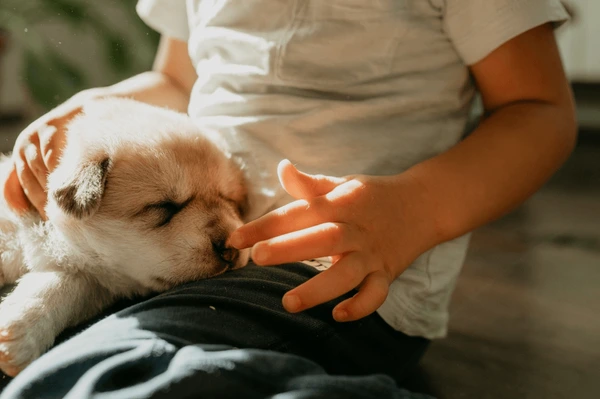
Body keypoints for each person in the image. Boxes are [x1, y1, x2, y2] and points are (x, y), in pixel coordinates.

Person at [1, 0, 576, 398]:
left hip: (334, 273)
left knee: (102, 374)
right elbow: (177, 81)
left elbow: (539, 110)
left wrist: (416, 209)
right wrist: (87, 113)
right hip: (185, 262)